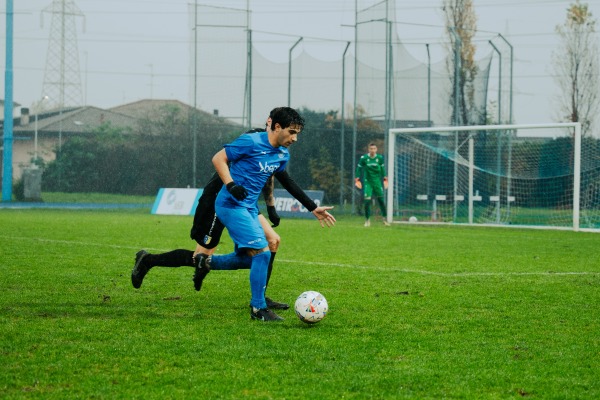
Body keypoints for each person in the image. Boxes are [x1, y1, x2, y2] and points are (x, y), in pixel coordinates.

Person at [211, 106, 335, 321]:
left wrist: (312, 207)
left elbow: (287, 181)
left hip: (249, 208)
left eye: (297, 134)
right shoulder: (251, 142)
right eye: (292, 132)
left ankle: (203, 262)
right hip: (231, 205)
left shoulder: (282, 154)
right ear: (277, 127)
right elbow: (218, 158)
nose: (295, 138)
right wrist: (231, 185)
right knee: (262, 253)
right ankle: (258, 308)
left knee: (264, 247)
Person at [355, 143, 390, 227]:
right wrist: (357, 179)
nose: (372, 150)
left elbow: (382, 169)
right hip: (368, 182)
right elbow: (359, 168)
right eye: (371, 149)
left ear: (376, 149)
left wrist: (385, 179)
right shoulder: (364, 158)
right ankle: (367, 220)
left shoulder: (380, 158)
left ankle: (384, 220)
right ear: (368, 149)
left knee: (381, 201)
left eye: (374, 149)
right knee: (367, 201)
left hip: (377, 182)